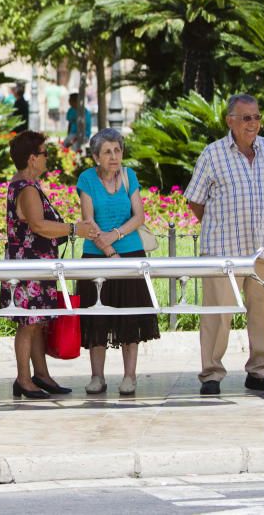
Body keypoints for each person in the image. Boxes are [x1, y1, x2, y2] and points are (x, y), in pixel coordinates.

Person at [184, 94, 264, 396]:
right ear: (230, 121)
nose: (253, 124)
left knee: (263, 313)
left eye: (257, 117)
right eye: (246, 118)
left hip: (261, 249)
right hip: (223, 251)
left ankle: (260, 371)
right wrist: (219, 225)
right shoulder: (213, 154)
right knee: (218, 315)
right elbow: (194, 200)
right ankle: (211, 374)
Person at [1, 130, 95, 399]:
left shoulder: (23, 184)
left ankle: (40, 375)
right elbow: (38, 225)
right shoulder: (27, 188)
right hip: (29, 267)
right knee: (28, 324)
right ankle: (23, 378)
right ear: (32, 158)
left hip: (33, 265)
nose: (47, 159)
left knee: (36, 322)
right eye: (44, 153)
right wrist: (75, 229)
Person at [75, 128, 160, 396]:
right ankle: (97, 377)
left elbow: (139, 216)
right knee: (96, 317)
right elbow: (89, 222)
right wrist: (110, 250)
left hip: (131, 254)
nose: (114, 157)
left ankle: (129, 376)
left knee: (130, 317)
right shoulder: (87, 179)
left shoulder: (129, 176)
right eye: (108, 152)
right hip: (97, 257)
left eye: (118, 150)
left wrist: (117, 235)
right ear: (96, 157)